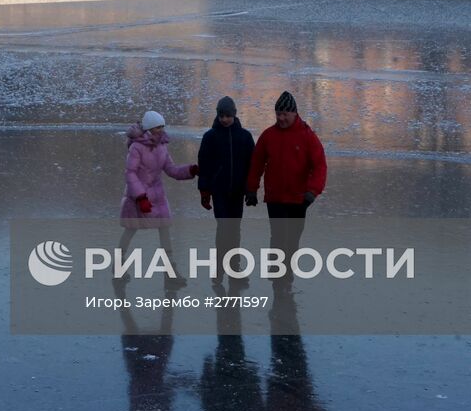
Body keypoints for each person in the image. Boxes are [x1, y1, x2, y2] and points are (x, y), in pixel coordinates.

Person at [245, 91, 327, 286]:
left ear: (294, 113)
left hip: (300, 199)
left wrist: (312, 191)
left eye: (285, 114)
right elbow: (256, 163)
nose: (281, 118)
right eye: (278, 114)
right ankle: (277, 274)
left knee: (292, 239)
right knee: (278, 236)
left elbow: (320, 166)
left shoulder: (307, 136)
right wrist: (251, 189)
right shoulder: (268, 135)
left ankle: (287, 273)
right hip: (275, 198)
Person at [119, 109, 197, 287]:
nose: (161, 130)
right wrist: (140, 196)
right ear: (148, 129)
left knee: (165, 230)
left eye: (162, 127)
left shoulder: (162, 146)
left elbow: (171, 169)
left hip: (158, 197)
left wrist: (190, 170)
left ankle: (170, 274)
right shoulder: (136, 147)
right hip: (138, 197)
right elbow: (130, 173)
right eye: (157, 128)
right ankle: (118, 265)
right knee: (130, 229)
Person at [197, 96, 255, 284]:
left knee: (234, 230)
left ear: (234, 115)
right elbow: (204, 166)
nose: (224, 119)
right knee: (223, 229)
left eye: (228, 115)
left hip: (237, 192)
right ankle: (219, 268)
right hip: (219, 192)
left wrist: (250, 190)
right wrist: (204, 191)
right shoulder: (210, 137)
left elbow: (251, 166)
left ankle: (234, 268)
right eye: (221, 115)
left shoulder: (245, 137)